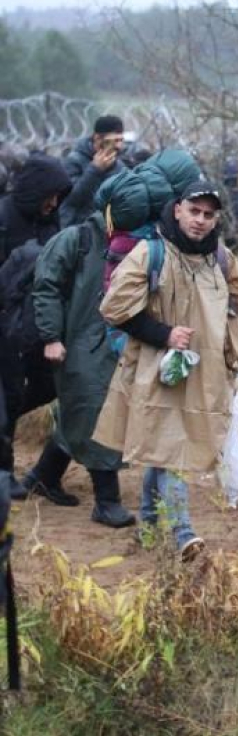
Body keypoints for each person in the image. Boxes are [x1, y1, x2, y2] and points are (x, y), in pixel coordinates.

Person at [94, 185, 238, 560]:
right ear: (178, 210)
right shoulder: (151, 254)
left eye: (208, 215)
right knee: (172, 446)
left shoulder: (222, 259)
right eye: (194, 211)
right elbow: (113, 308)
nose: (200, 220)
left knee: (163, 448)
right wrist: (164, 334)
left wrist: (230, 349)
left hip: (206, 373)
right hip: (158, 370)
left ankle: (149, 527)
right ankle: (183, 533)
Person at [27, 208, 136, 526]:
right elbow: (46, 287)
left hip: (104, 340)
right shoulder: (79, 239)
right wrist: (51, 335)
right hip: (76, 341)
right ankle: (107, 500)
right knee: (94, 409)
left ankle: (43, 475)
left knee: (80, 409)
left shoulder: (134, 243)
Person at [0, 155, 71, 498]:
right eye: (50, 195)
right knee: (9, 394)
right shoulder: (4, 216)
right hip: (5, 322)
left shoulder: (50, 219)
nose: (54, 203)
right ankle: (4, 473)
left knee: (47, 385)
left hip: (37, 325)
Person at [60, 115, 126, 227]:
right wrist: (95, 170)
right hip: (77, 229)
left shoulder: (119, 166)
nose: (118, 146)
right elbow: (70, 199)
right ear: (97, 138)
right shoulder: (74, 161)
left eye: (120, 140)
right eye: (113, 141)